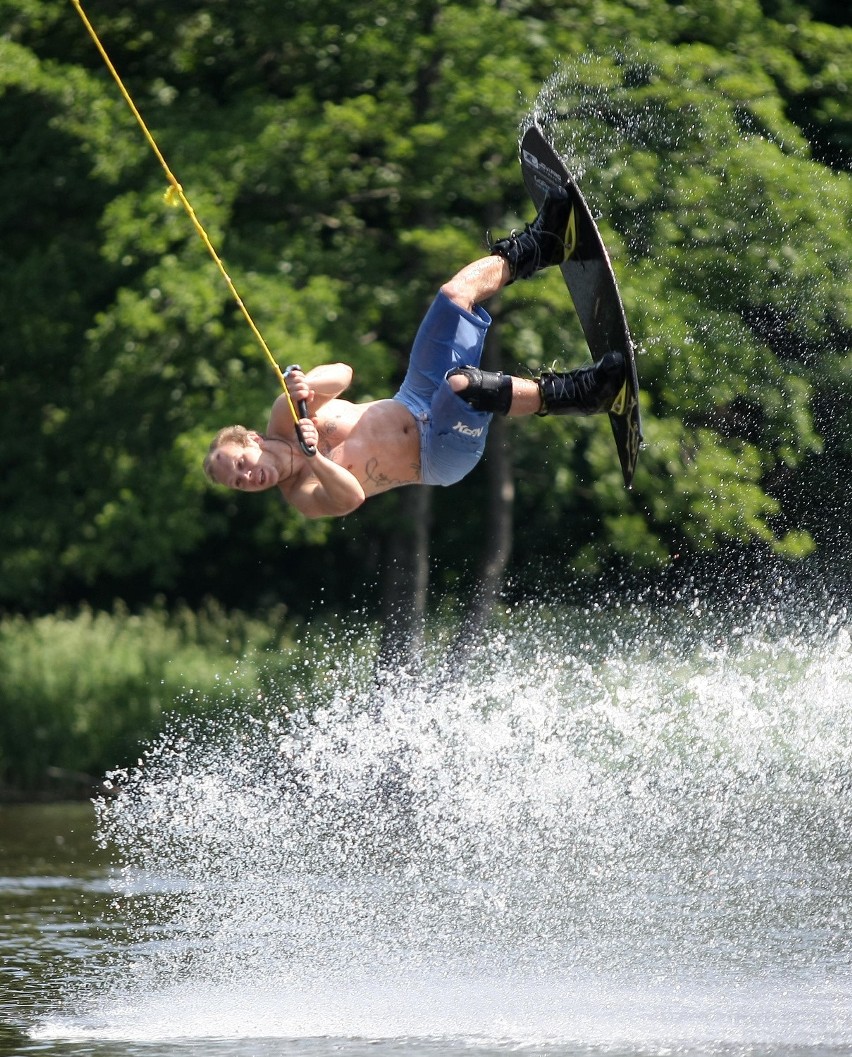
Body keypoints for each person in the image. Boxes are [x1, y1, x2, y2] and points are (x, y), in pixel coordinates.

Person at [203, 187, 625, 519]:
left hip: (413, 395)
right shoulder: (301, 496)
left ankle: (545, 243)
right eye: (240, 484)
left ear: (253, 440)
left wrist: (306, 383)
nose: (248, 477)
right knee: (465, 387)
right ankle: (586, 394)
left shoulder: (285, 412)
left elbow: (344, 374)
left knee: (453, 296)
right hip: (437, 456)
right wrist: (314, 456)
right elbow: (349, 499)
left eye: (241, 464)